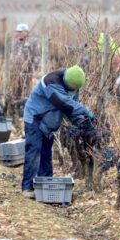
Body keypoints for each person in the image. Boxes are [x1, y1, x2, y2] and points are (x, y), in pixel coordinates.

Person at [21, 65, 95, 198]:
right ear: (66, 80)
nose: (73, 91)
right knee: (34, 151)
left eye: (75, 90)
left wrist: (81, 122)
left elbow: (71, 110)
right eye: (71, 89)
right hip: (35, 118)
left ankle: (44, 185)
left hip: (49, 123)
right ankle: (27, 187)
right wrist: (85, 111)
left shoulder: (73, 87)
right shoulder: (51, 81)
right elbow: (64, 102)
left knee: (46, 153)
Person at [7, 23, 40, 126]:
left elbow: (36, 57)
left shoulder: (32, 43)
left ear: (26, 32)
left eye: (20, 32)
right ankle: (15, 111)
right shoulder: (15, 42)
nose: (18, 34)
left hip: (27, 73)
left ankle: (24, 112)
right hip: (15, 72)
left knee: (26, 90)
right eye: (17, 32)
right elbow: (11, 56)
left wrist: (31, 69)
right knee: (15, 90)